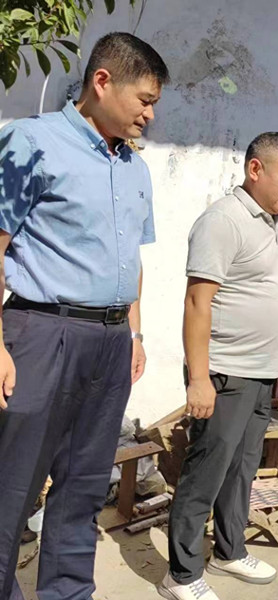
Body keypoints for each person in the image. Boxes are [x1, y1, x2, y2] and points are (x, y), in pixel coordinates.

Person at [0, 33, 168, 600]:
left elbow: (131, 260)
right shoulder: (31, 142)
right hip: (42, 333)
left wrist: (135, 332)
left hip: (111, 342)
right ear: (102, 82)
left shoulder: (135, 167)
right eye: (144, 100)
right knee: (13, 483)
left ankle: (68, 591)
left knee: (84, 484)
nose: (150, 114)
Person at [159, 133, 278, 600]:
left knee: (241, 470)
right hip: (226, 373)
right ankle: (180, 574)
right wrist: (200, 379)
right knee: (206, 472)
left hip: (259, 373)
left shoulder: (267, 221)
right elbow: (196, 302)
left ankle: (228, 551)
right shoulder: (223, 220)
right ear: (255, 169)